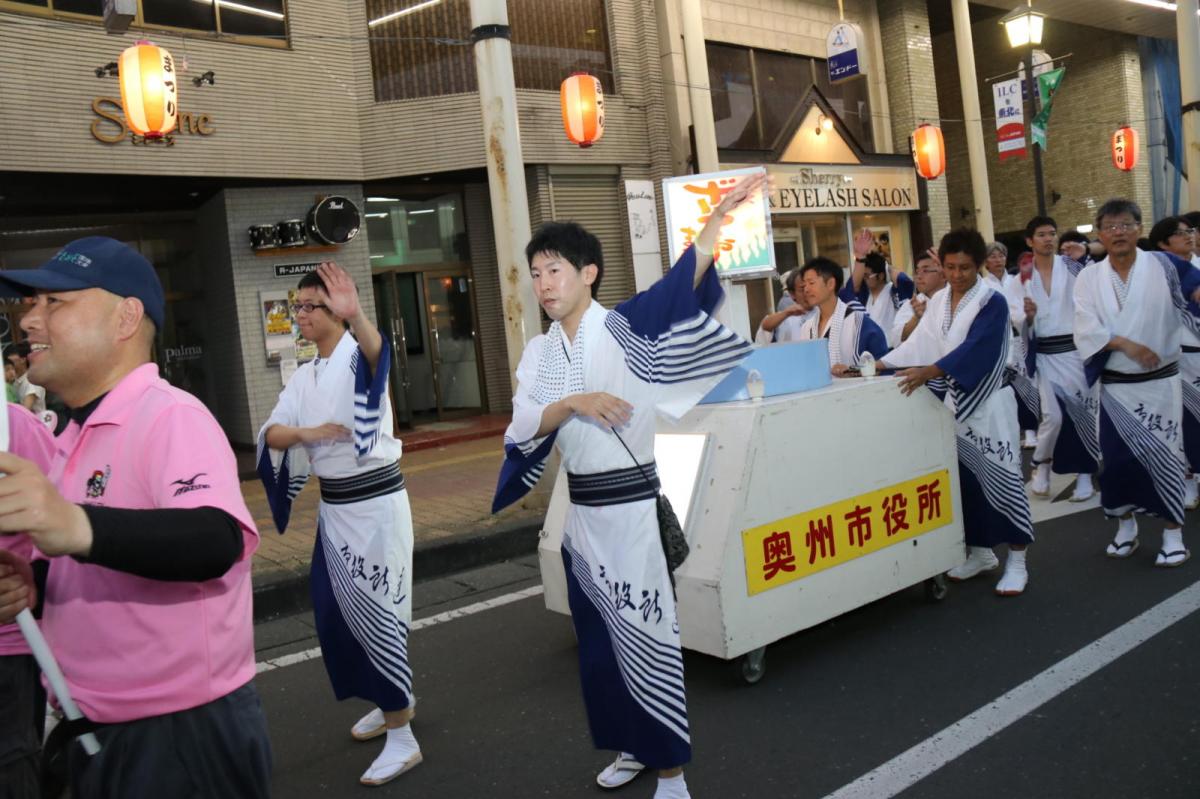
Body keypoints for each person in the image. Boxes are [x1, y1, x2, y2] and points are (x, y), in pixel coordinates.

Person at [492, 177, 760, 799]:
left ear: (589, 272)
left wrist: (716, 221)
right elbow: (524, 423)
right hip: (582, 513)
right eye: (535, 274)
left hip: (632, 510)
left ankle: (672, 771)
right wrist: (576, 401)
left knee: (650, 634)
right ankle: (634, 746)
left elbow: (679, 288)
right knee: (599, 643)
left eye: (553, 269)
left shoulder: (626, 327)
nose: (543, 284)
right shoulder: (538, 353)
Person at [0, 236, 271, 796]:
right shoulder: (70, 434)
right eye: (31, 304)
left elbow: (215, 538)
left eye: (55, 303)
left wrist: (76, 525)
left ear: (125, 317)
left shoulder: (169, 414)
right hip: (95, 729)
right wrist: (36, 585)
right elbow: (92, 561)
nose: (29, 319)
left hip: (181, 738)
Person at [259, 263, 420, 787]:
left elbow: (379, 356)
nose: (300, 316)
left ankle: (403, 735)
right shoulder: (304, 375)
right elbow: (273, 434)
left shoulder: (358, 356)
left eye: (310, 307)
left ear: (336, 313)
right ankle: (388, 701)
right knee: (333, 615)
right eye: (297, 307)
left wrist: (360, 318)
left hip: (375, 509)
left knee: (379, 617)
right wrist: (310, 432)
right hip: (335, 515)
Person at [880, 228, 1035, 595]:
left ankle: (1018, 561)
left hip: (990, 402)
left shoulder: (991, 300)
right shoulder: (939, 301)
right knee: (966, 483)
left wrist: (932, 371)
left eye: (965, 267)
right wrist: (878, 365)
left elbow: (978, 348)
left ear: (978, 265)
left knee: (1005, 478)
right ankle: (981, 553)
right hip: (956, 403)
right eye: (950, 267)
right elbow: (920, 343)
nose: (957, 274)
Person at [1074, 200, 1198, 566]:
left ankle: (1172, 533)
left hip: (1160, 384)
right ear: (1099, 233)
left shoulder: (1163, 265)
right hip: (1115, 387)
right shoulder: (1088, 277)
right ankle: (1124, 527)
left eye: (1126, 225)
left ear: (1139, 229)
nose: (1119, 232)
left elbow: (1195, 290)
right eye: (1110, 226)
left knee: (1167, 457)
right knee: (1114, 461)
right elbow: (1085, 326)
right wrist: (1125, 343)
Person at [0, 404, 56, 799]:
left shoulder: (14, 425)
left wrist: (32, 579)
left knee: (12, 766)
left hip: (9, 645)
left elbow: (62, 512)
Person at [1021, 216, 1098, 502]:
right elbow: (1013, 315)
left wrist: (1088, 253)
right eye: (1041, 234)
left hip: (1075, 352)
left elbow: (1095, 290)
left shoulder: (1074, 268)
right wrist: (1025, 317)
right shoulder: (1021, 276)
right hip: (1043, 355)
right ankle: (1041, 462)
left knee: (1081, 414)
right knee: (1053, 416)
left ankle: (1085, 474)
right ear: (1030, 241)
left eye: (1052, 234)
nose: (1048, 239)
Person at [1147, 216, 1200, 508]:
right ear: (1163, 243)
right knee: (1184, 423)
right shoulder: (1156, 273)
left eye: (1190, 231)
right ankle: (1187, 479)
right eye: (1180, 233)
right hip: (1178, 358)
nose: (1189, 236)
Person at [983, 241, 1040, 449]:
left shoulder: (1016, 281)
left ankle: (1031, 430)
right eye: (993, 256)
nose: (998, 260)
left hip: (1020, 336)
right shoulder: (983, 285)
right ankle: (1010, 430)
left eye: (1001, 256)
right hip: (999, 340)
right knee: (1005, 387)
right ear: (985, 261)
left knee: (1027, 383)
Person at [799, 256, 888, 375]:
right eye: (804, 285)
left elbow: (882, 366)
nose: (806, 289)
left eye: (811, 283)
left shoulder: (859, 323)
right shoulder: (807, 327)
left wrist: (852, 370)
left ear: (830, 284)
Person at [841, 228, 914, 336]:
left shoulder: (892, 290)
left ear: (881, 276)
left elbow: (903, 280)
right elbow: (852, 287)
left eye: (867, 276)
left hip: (891, 347)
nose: (864, 279)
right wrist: (861, 257)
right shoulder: (865, 294)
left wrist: (886, 266)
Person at [891, 249, 946, 346]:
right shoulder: (913, 303)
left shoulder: (955, 296)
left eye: (925, 270)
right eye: (917, 271)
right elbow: (898, 338)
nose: (919, 276)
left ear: (943, 275)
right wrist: (916, 318)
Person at [756, 268, 815, 343]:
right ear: (792, 294)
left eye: (811, 285)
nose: (807, 291)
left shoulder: (824, 311)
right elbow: (765, 326)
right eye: (802, 289)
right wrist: (786, 313)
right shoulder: (787, 316)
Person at [5, 342, 46, 415]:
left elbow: (25, 411)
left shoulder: (33, 380)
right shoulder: (13, 381)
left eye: (12, 354)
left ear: (23, 359)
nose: (8, 358)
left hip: (34, 424)